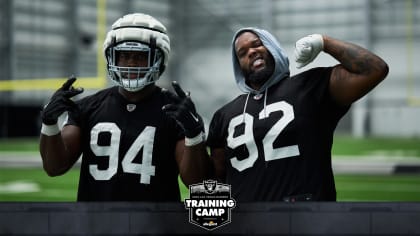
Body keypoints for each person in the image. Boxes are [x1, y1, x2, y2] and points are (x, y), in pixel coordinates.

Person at [39, 13, 209, 201]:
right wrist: (49, 123)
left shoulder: (176, 111)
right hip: (97, 225)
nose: (131, 63)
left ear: (159, 60)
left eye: (141, 56)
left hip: (155, 225)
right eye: (124, 55)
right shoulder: (88, 107)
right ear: (112, 58)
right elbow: (54, 167)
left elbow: (197, 183)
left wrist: (193, 134)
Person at [206, 28, 389, 202]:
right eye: (242, 52)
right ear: (238, 65)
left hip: (307, 220)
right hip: (247, 224)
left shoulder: (310, 86)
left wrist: (323, 42)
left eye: (257, 44)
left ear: (272, 47)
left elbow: (374, 69)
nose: (251, 52)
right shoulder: (224, 115)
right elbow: (215, 180)